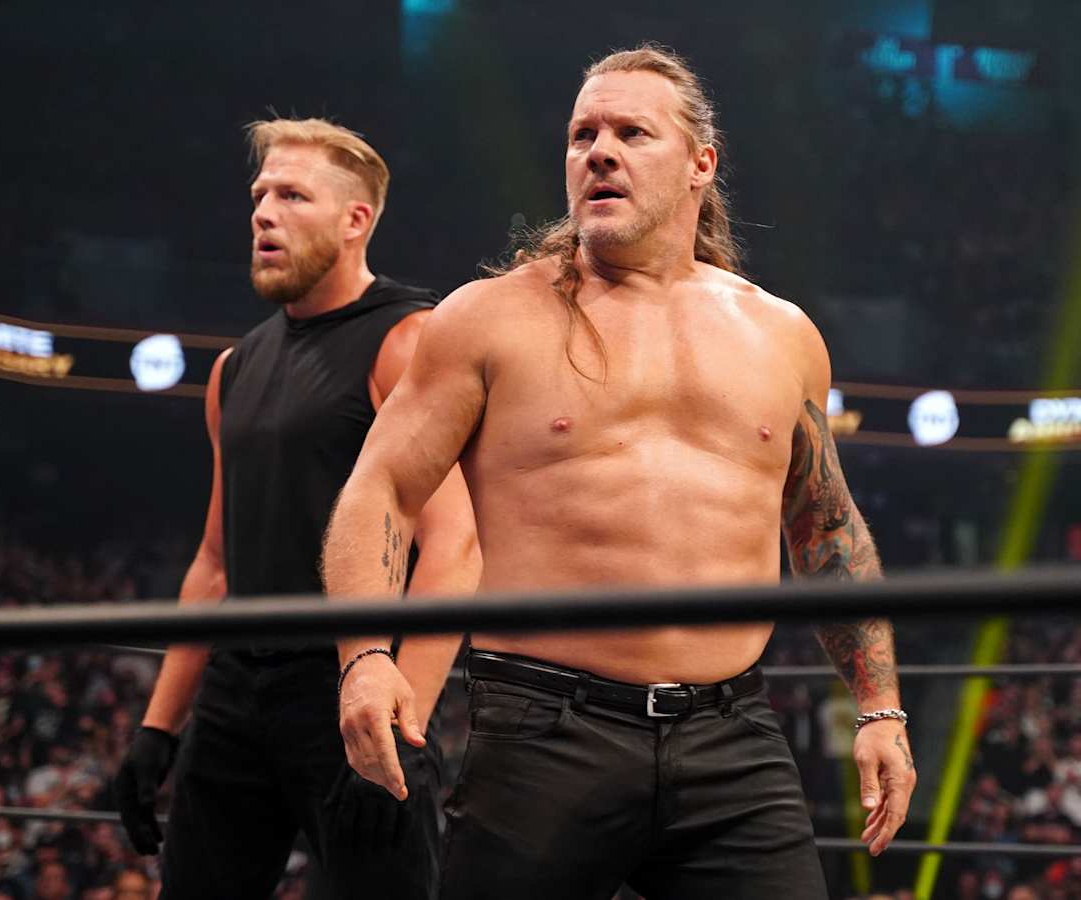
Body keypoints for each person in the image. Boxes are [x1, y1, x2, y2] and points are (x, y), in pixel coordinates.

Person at [323, 45, 916, 899]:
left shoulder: (782, 336)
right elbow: (381, 488)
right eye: (582, 135)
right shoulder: (489, 319)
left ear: (700, 164)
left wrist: (880, 707)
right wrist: (364, 658)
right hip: (543, 732)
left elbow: (827, 529)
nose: (599, 151)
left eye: (631, 133)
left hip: (731, 737)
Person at [113, 117, 479, 899]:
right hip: (234, 692)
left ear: (355, 220)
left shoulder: (406, 341)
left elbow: (454, 546)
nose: (263, 214)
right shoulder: (234, 367)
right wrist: (157, 727)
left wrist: (403, 724)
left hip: (350, 681)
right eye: (259, 196)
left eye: (292, 196)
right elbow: (216, 562)